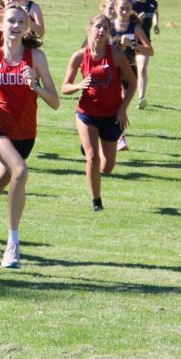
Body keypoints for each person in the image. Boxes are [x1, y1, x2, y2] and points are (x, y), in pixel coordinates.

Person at [0, 4, 60, 268]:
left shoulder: (36, 57)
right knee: (20, 171)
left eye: (20, 22)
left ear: (26, 26)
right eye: (10, 21)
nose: (15, 26)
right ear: (1, 25)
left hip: (25, 134)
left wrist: (35, 86)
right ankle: (12, 246)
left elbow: (55, 102)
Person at [61, 13, 135, 211]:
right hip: (87, 113)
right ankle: (96, 202)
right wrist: (78, 85)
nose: (101, 31)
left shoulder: (117, 55)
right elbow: (64, 87)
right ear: (89, 29)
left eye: (105, 28)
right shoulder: (79, 56)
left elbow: (133, 83)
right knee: (92, 158)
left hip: (112, 115)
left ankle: (90, 149)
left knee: (107, 166)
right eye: (98, 27)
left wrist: (122, 109)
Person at [106, 0, 152, 151]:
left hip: (129, 70)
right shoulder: (108, 26)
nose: (125, 12)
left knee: (122, 104)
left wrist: (133, 44)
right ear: (115, 9)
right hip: (110, 69)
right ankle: (118, 137)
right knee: (113, 103)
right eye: (121, 9)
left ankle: (117, 136)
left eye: (127, 9)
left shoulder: (135, 27)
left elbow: (150, 50)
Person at [130, 0, 159, 109]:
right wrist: (136, 19)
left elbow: (156, 12)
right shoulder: (130, 4)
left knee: (141, 68)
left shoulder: (152, 3)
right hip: (128, 41)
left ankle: (141, 97)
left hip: (143, 41)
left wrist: (156, 24)